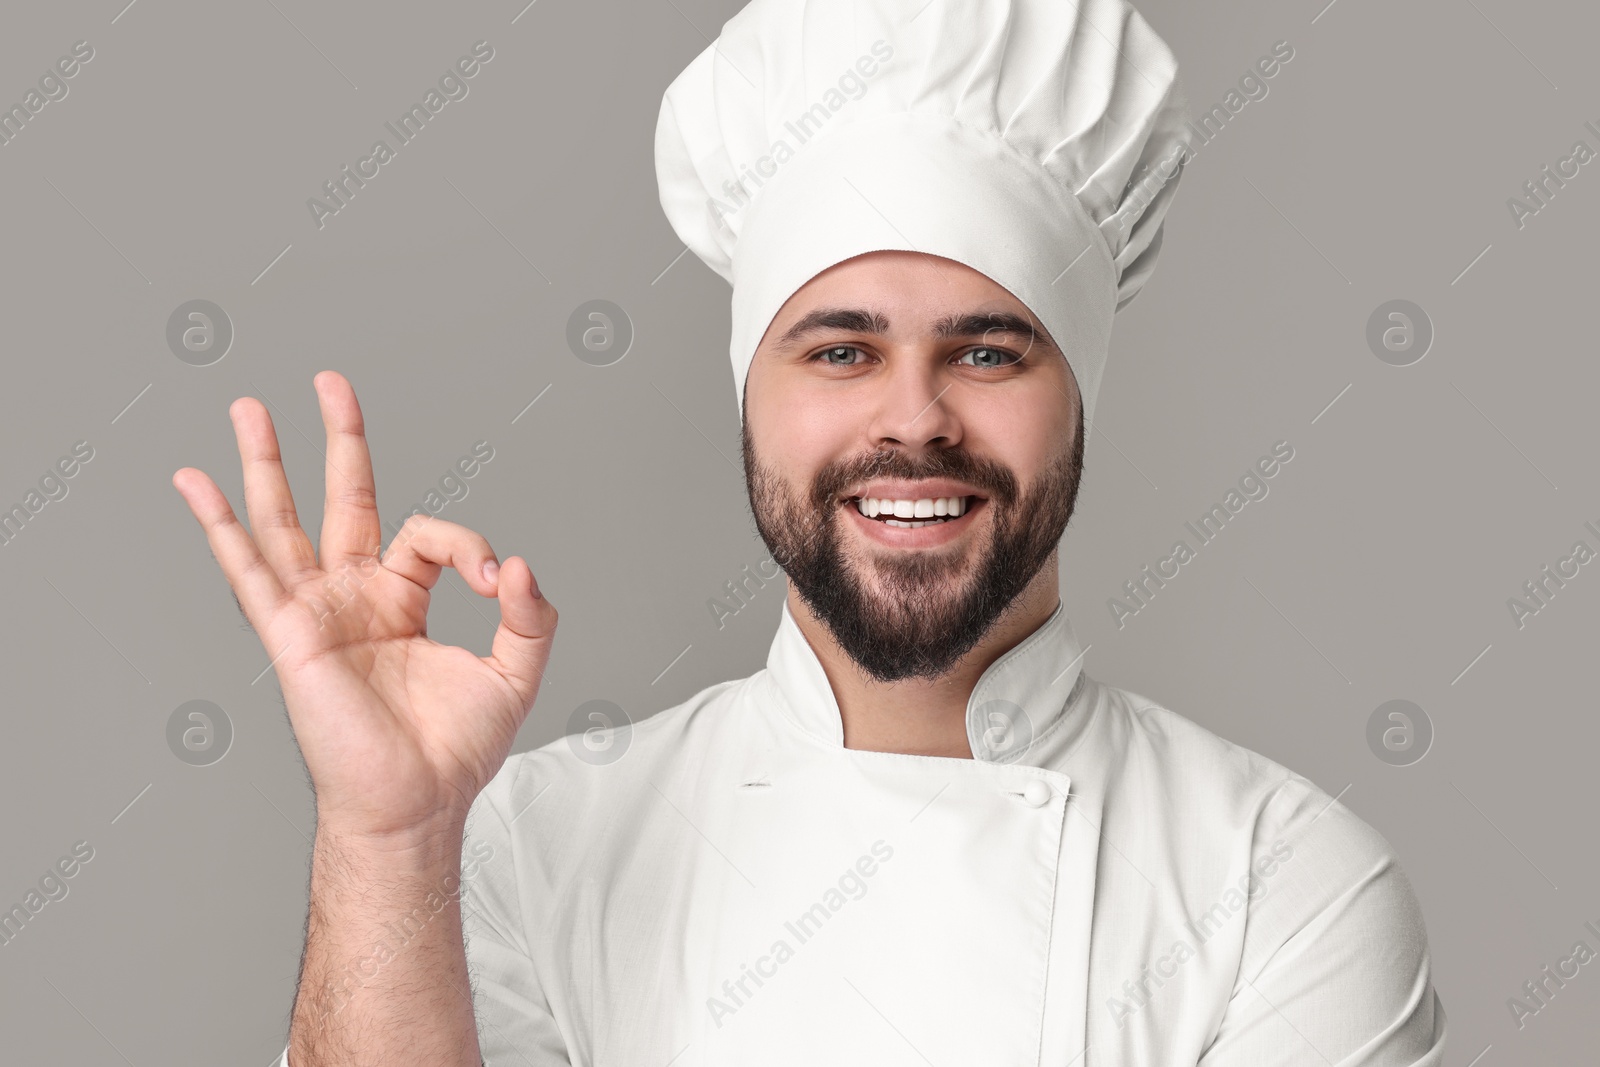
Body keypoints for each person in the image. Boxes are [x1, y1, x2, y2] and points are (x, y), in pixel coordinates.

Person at [173, 0, 1447, 1063]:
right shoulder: (531, 848)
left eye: (988, 350)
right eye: (840, 348)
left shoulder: (1279, 889)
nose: (915, 420)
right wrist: (387, 840)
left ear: (1079, 399)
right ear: (748, 397)